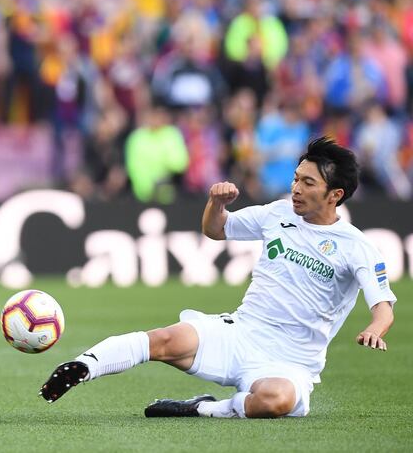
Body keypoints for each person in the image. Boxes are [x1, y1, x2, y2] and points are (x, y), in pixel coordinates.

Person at [40, 137, 395, 418]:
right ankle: (83, 366)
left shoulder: (356, 247)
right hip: (240, 332)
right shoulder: (278, 213)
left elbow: (383, 309)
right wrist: (217, 204)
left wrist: (373, 330)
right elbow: (216, 230)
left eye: (308, 182)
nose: (296, 188)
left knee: (276, 401)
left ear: (335, 195)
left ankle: (203, 408)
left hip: (291, 362)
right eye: (295, 178)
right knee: (164, 339)